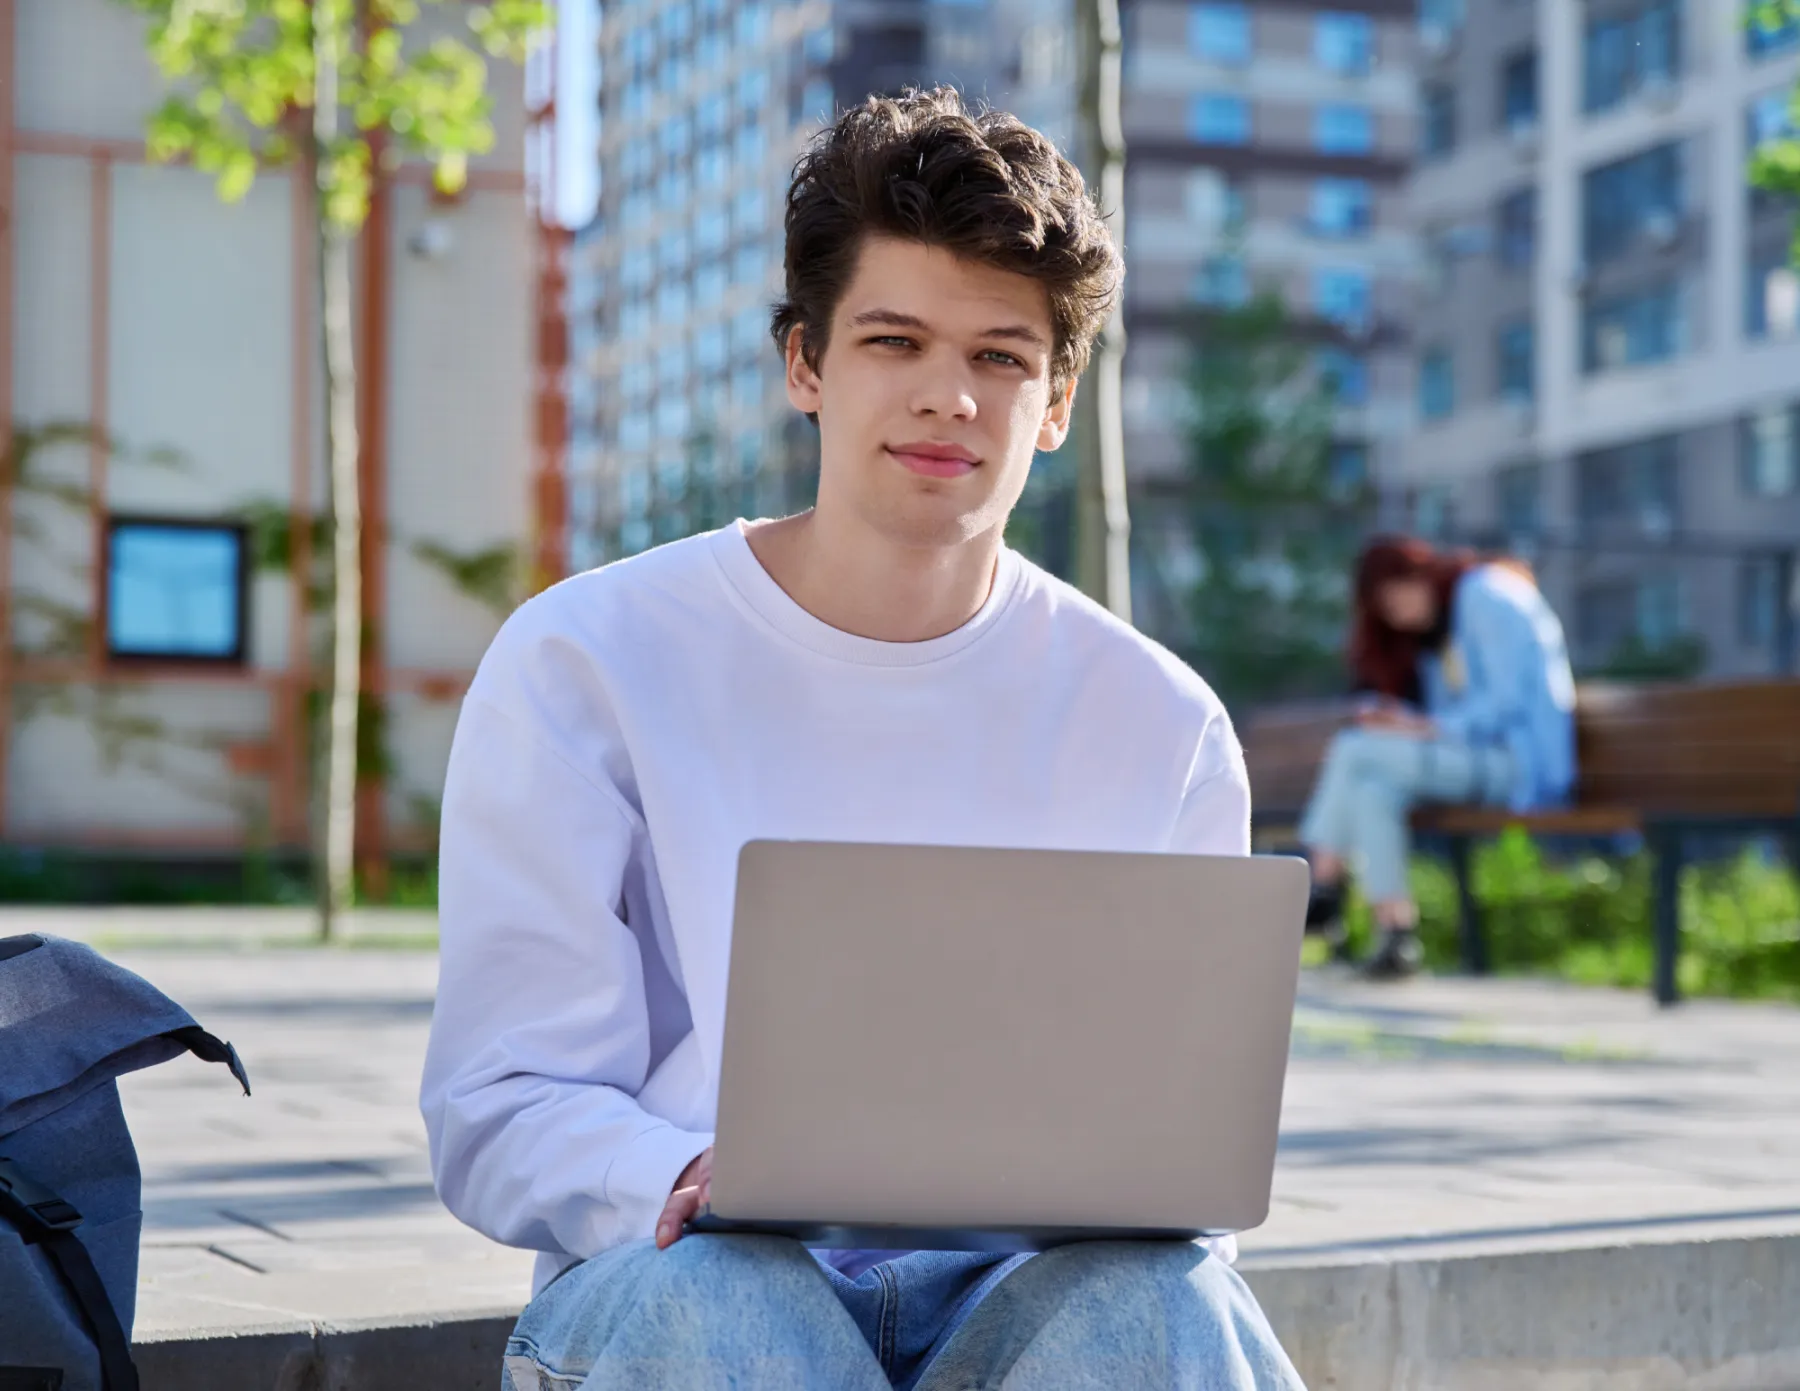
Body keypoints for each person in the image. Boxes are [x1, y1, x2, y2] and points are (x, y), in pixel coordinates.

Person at [419, 88, 1305, 1390]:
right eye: (895, 340)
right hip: (693, 1280)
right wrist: (671, 1170)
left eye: (1002, 357)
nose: (949, 395)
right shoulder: (588, 659)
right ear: (808, 366)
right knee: (732, 1307)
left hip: (1015, 1295)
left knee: (1168, 1306)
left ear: (1056, 403)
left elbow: (1181, 1169)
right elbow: (497, 1102)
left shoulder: (1161, 723)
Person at [1300, 536, 1576, 980]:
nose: (1397, 614)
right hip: (1475, 759)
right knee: (1373, 789)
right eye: (1385, 608)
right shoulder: (1442, 629)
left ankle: (1324, 883)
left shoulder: (1487, 594)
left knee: (1354, 749)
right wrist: (1406, 720)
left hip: (1519, 764)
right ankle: (1396, 936)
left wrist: (1424, 728)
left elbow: (1506, 704)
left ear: (1419, 574)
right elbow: (1453, 714)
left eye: (1396, 597)